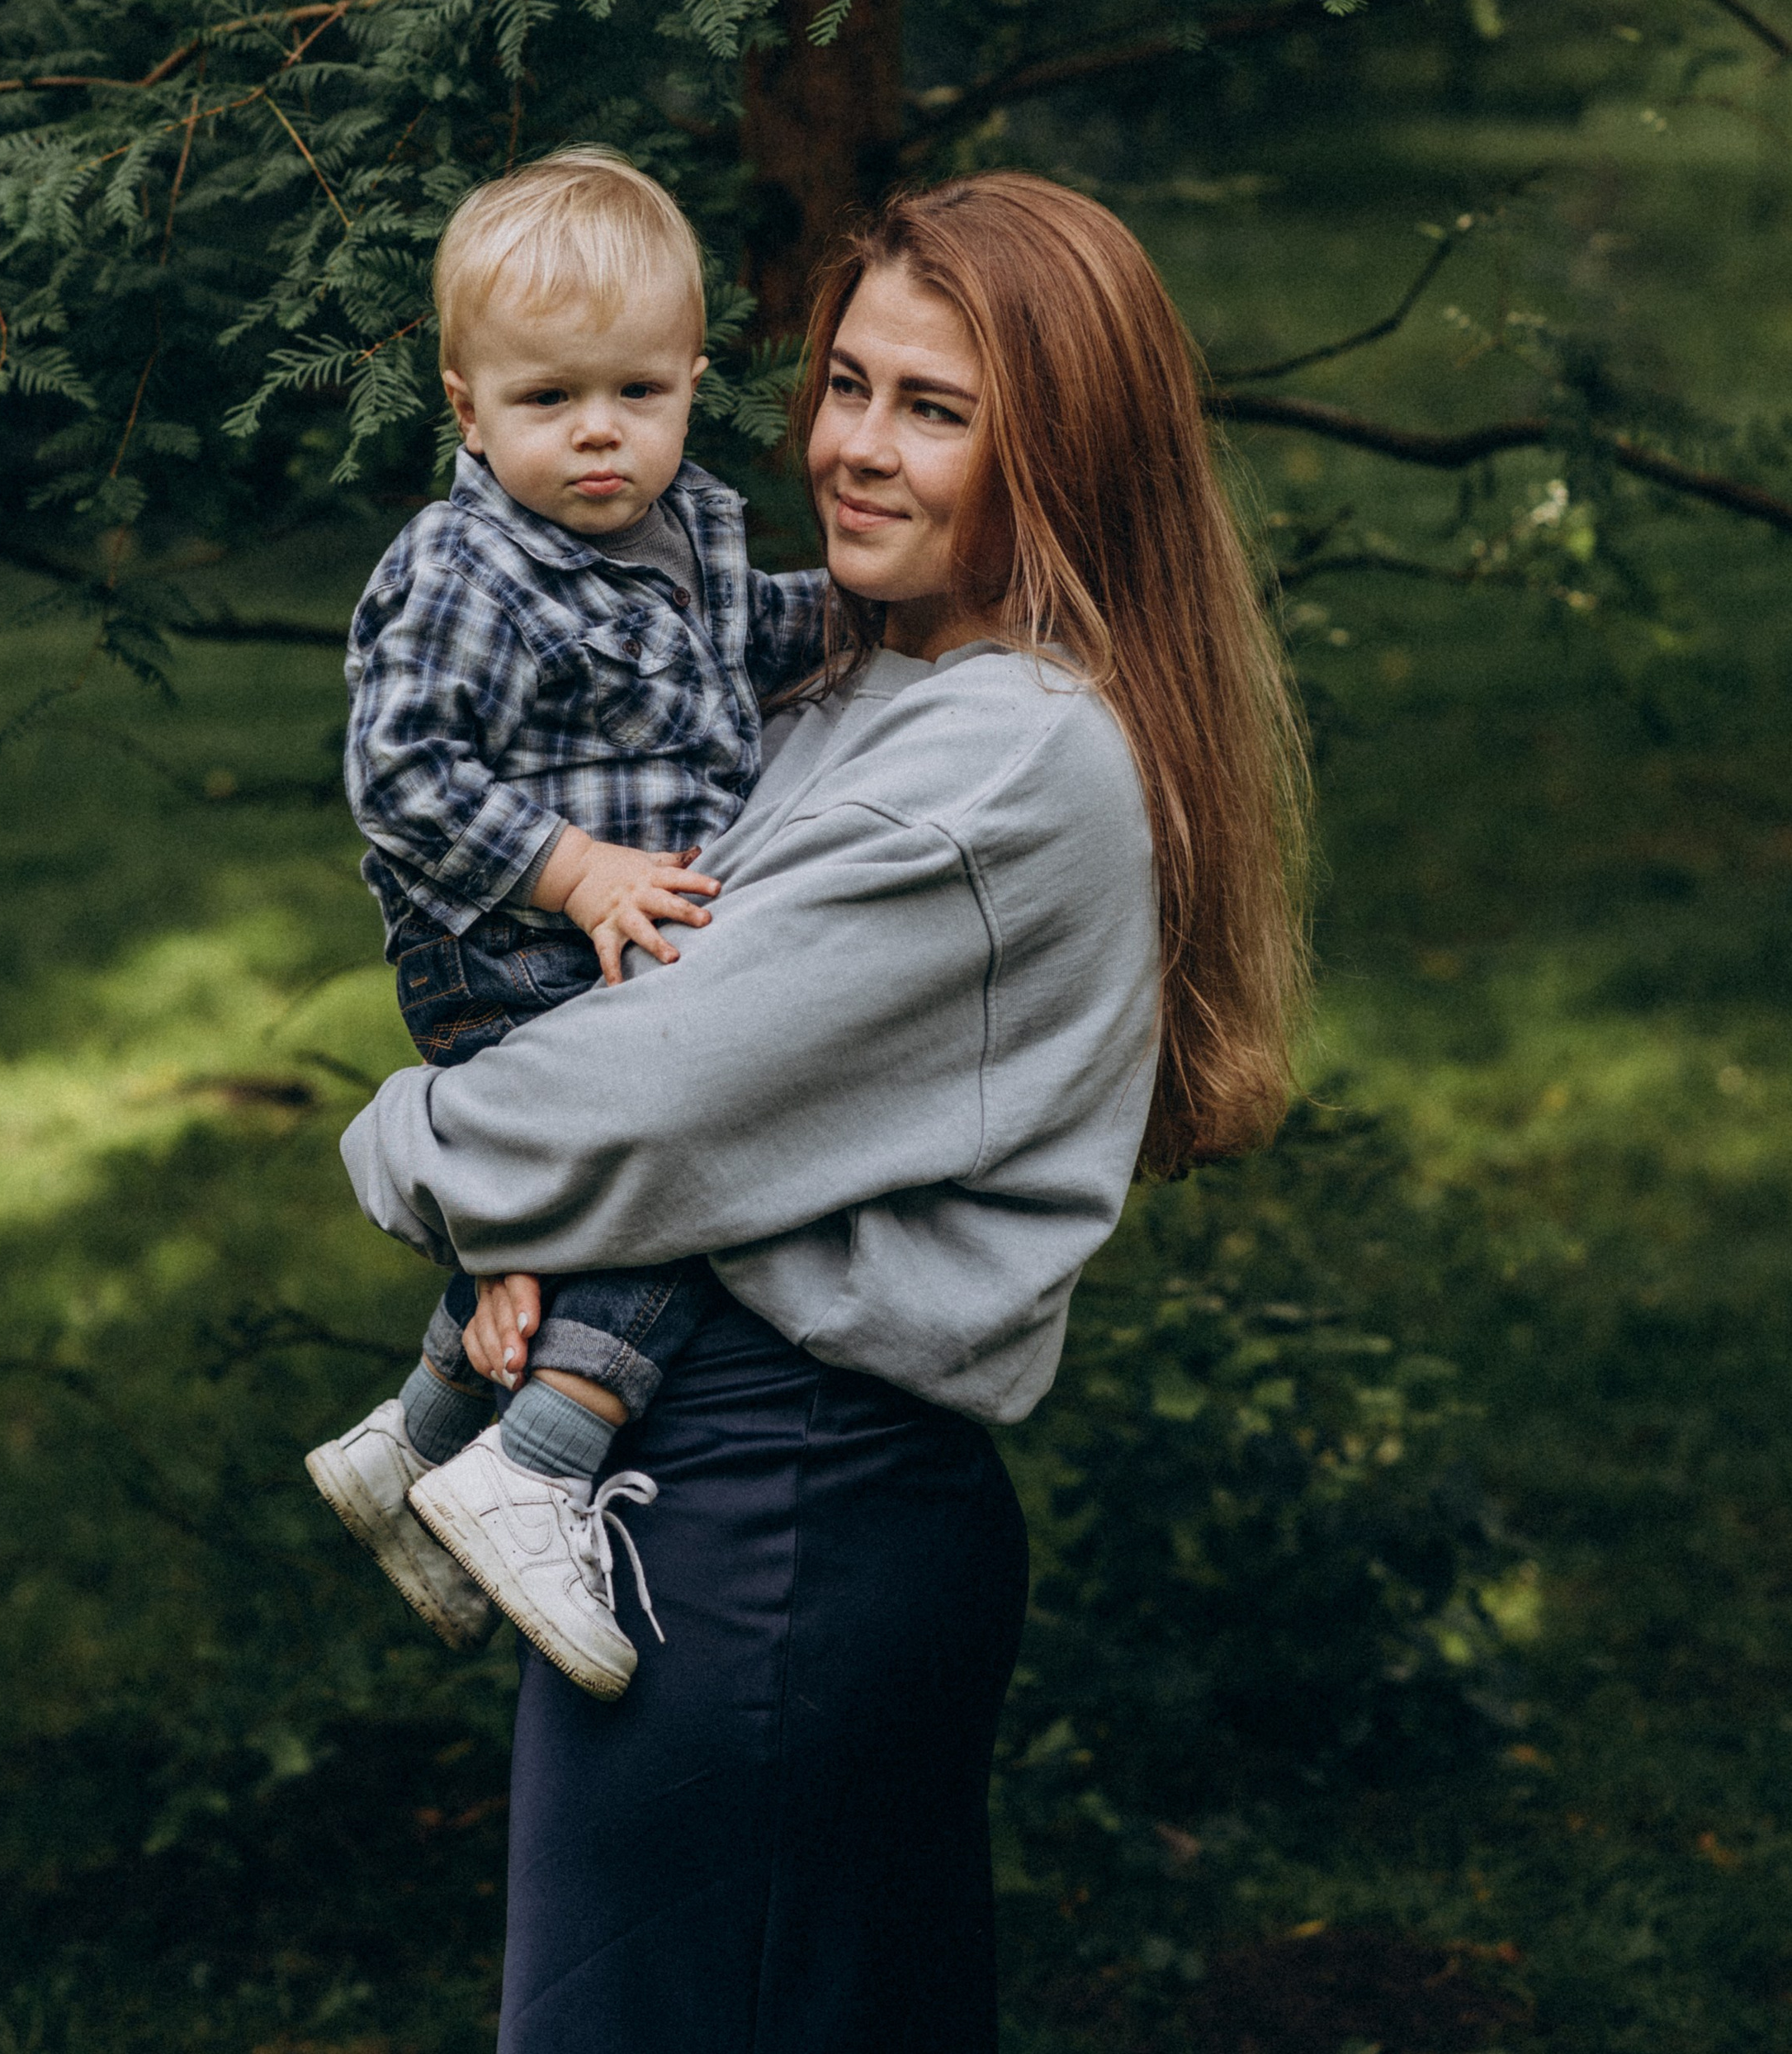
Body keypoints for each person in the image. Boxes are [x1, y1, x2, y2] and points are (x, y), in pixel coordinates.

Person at [337, 170, 1309, 2054]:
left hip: (779, 1503)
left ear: (1065, 448)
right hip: (686, 1487)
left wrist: (409, 1147)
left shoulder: (1002, 757)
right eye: (847, 384)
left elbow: (626, 1107)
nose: (855, 449)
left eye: (932, 411)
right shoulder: (866, 677)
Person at [305, 149, 825, 1696]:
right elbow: (397, 771)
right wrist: (573, 868)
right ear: (467, 410)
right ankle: (542, 1464)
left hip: (592, 931)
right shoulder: (469, 565)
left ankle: (416, 1441)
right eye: (548, 403)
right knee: (684, 1158)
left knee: (605, 1178)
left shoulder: (680, 529)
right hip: (504, 938)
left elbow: (760, 636)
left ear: (690, 383)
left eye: (637, 394)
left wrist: (902, 614)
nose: (600, 435)